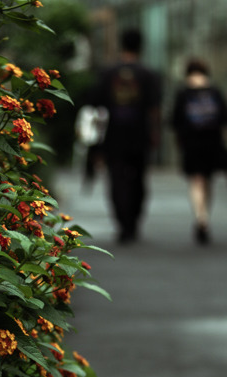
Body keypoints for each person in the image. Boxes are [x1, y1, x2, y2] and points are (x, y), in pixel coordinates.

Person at [87, 29, 162, 244]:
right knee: (138, 178)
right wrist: (155, 133)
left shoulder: (108, 72)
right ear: (141, 46)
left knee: (116, 178)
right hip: (140, 133)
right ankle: (133, 221)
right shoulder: (148, 74)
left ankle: (122, 222)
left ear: (122, 45)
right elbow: (154, 108)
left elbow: (95, 104)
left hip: (113, 134)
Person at [170, 58, 227, 245]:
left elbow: (175, 121)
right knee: (207, 180)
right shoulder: (215, 91)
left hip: (191, 144)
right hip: (213, 143)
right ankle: (204, 215)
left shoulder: (183, 92)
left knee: (196, 181)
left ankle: (201, 217)